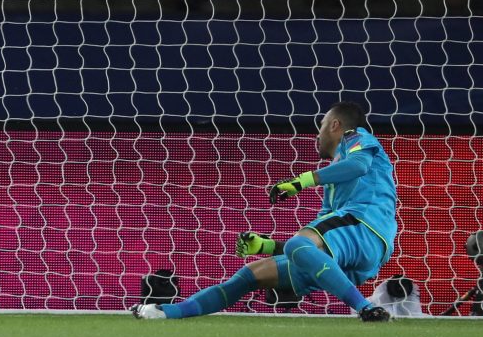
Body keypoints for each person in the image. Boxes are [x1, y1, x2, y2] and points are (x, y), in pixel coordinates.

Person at [132, 101, 397, 322]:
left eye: (321, 126)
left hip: (367, 225)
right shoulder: (333, 191)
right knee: (250, 274)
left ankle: (365, 308)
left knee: (298, 244)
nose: (318, 135)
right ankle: (166, 312)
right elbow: (309, 251)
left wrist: (301, 181)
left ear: (336, 125)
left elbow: (360, 165)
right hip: (359, 253)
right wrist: (267, 246)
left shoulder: (356, 137)